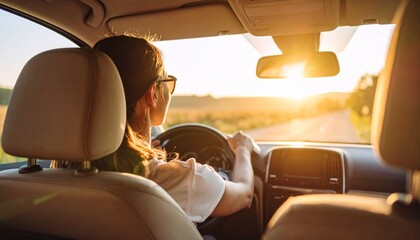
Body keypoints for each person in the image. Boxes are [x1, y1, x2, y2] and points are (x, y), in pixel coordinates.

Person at [56, 35, 255, 224]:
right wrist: (242, 149)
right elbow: (244, 194)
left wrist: (140, 152)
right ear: (153, 92)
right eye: (166, 83)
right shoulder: (177, 180)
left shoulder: (54, 178)